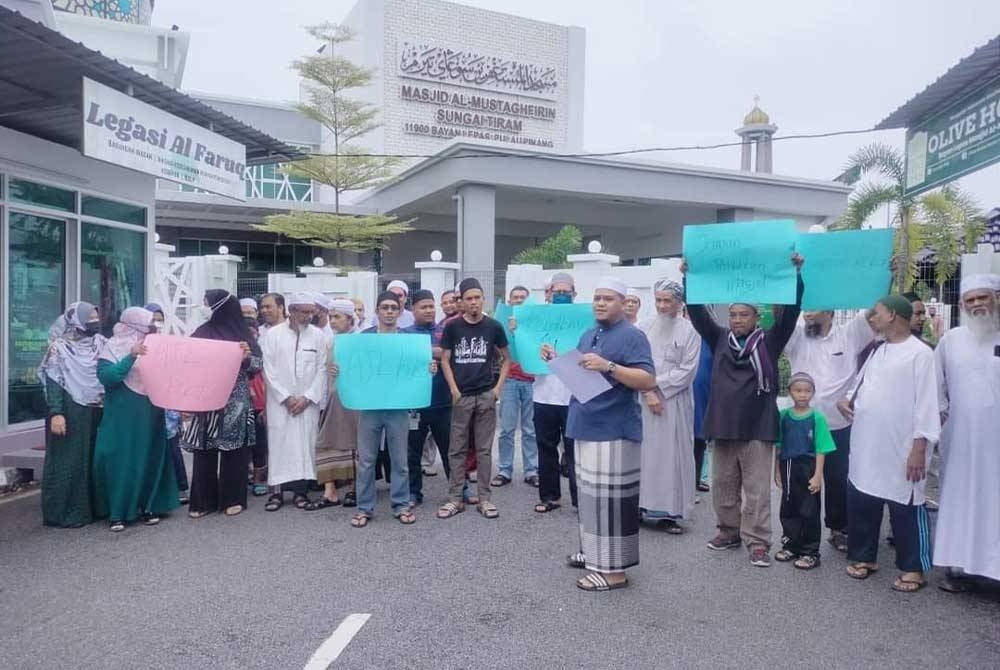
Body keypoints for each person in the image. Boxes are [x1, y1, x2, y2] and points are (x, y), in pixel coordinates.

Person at [683, 253, 804, 567]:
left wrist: (795, 275)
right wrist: (689, 280)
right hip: (723, 424)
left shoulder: (770, 340)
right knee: (723, 484)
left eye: (743, 315)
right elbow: (697, 316)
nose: (737, 319)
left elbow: (790, 314)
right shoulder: (719, 337)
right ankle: (728, 531)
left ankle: (758, 541)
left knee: (757, 489)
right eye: (733, 314)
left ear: (755, 317)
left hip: (758, 426)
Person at [558, 277, 656, 592]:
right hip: (585, 423)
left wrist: (608, 366)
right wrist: (555, 359)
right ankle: (594, 554)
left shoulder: (633, 336)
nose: (600, 303)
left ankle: (614, 572)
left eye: (608, 298)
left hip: (614, 428)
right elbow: (581, 371)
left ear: (623, 303)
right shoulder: (590, 333)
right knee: (589, 498)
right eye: (597, 297)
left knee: (612, 502)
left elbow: (646, 379)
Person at [838, 294, 940, 593]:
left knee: (906, 504)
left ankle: (913, 567)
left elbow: (926, 405)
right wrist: (847, 400)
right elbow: (859, 387)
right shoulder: (878, 350)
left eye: (877, 313)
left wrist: (919, 449)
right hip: (868, 444)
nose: (873, 318)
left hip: (903, 448)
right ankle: (864, 557)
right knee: (863, 498)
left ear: (893, 315)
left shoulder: (920, 354)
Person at [784, 308, 875, 553]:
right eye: (806, 309)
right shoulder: (796, 336)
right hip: (803, 425)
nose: (807, 314)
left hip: (837, 424)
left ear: (830, 311)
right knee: (804, 481)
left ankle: (838, 529)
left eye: (813, 309)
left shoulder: (850, 333)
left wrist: (888, 273)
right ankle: (803, 532)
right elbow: (780, 312)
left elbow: (877, 309)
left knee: (837, 479)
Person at [932, 274, 1000, 592]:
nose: (977, 305)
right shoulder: (952, 340)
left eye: (982, 298)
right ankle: (955, 565)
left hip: (996, 442)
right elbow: (936, 387)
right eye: (970, 300)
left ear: (995, 299)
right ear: (962, 305)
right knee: (959, 498)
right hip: (959, 437)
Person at [92, 307, 179, 531]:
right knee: (121, 460)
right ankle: (118, 512)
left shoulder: (155, 346)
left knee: (150, 456)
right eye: (148, 324)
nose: (151, 329)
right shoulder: (111, 348)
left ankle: (149, 506)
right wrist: (131, 356)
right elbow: (108, 378)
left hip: (151, 411)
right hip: (122, 415)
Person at [350, 291, 430, 527]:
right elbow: (353, 366)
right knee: (366, 460)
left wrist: (430, 369)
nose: (389, 312)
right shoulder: (364, 338)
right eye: (384, 307)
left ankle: (401, 505)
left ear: (399, 311)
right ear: (377, 311)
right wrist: (338, 371)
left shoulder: (408, 339)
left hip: (398, 406)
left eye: (393, 308)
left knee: (400, 460)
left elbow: (418, 368)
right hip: (370, 406)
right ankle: (364, 508)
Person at [437, 278, 510, 520]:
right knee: (456, 449)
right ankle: (455, 498)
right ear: (462, 301)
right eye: (469, 298)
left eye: (477, 298)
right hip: (462, 398)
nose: (474, 302)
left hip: (485, 396)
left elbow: (507, 359)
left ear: (483, 300)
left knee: (484, 450)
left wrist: (497, 389)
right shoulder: (453, 327)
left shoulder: (494, 327)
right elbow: (445, 359)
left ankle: (485, 499)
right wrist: (454, 390)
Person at [182, 290, 260, 519]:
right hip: (205, 398)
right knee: (204, 448)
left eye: (207, 303)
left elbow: (258, 365)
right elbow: (186, 363)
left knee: (234, 450)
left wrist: (246, 357)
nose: (204, 307)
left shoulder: (243, 334)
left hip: (235, 399)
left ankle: (233, 498)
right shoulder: (201, 332)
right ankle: (202, 501)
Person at [637, 280, 701, 534]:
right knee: (644, 455)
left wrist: (655, 388)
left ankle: (671, 513)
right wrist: (647, 390)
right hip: (643, 400)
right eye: (659, 300)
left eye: (668, 301)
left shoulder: (689, 332)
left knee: (672, 456)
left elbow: (687, 371)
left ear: (679, 302)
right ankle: (641, 507)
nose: (663, 306)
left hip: (674, 402)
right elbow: (635, 361)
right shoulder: (644, 326)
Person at [38, 302, 104, 528]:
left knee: (91, 459)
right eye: (90, 317)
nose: (95, 321)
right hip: (69, 411)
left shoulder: (99, 343)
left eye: (96, 316)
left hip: (95, 411)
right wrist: (56, 413)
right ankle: (63, 513)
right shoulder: (60, 348)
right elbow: (54, 381)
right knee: (68, 462)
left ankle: (91, 509)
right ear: (77, 320)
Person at [260, 294, 327, 511]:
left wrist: (308, 397)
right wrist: (286, 397)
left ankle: (301, 493)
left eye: (311, 312)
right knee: (279, 444)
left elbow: (322, 369)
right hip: (281, 402)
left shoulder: (317, 335)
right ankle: (277, 494)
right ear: (291, 310)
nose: (309, 316)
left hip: (308, 402)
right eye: (304, 312)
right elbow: (268, 370)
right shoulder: (273, 335)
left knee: (305, 445)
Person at [526, 272, 578, 513]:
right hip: (543, 395)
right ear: (548, 294)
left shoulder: (584, 320)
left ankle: (580, 500)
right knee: (545, 447)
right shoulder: (535, 321)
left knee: (575, 451)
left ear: (574, 294)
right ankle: (549, 497)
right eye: (556, 291)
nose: (561, 295)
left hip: (574, 397)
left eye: (566, 292)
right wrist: (517, 330)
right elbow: (521, 353)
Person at [773, 372, 836, 570]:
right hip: (788, 466)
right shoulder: (784, 417)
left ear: (813, 393)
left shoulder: (817, 418)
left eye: (807, 391)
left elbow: (821, 448)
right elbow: (779, 446)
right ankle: (791, 544)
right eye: (798, 390)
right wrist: (776, 471)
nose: (802, 395)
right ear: (790, 392)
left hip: (807, 467)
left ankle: (810, 551)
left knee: (809, 509)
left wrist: (818, 475)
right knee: (789, 506)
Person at [310, 298, 360, 510]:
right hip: (333, 399)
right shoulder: (329, 341)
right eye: (330, 317)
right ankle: (329, 492)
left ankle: (355, 489)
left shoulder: (361, 340)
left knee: (356, 444)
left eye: (337, 317)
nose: (332, 321)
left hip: (356, 402)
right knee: (326, 441)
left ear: (350, 319)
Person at [405, 290, 453, 507]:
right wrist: (434, 351)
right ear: (413, 309)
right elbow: (403, 356)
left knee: (450, 449)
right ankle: (414, 492)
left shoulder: (446, 331)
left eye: (431, 306)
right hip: (414, 404)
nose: (429, 310)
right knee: (412, 451)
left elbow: (449, 354)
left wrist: (424, 351)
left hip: (443, 401)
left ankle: (459, 489)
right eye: (423, 306)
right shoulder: (404, 334)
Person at [493, 285, 538, 488]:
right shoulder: (500, 322)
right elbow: (495, 351)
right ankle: (504, 469)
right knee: (507, 429)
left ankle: (531, 470)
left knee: (530, 429)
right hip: (509, 379)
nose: (518, 300)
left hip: (532, 380)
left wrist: (522, 330)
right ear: (509, 301)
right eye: (515, 297)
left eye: (522, 297)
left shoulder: (535, 322)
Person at [692, 335, 713, 493]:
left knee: (699, 441)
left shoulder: (709, 340)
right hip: (679, 397)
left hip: (703, 397)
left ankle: (695, 481)